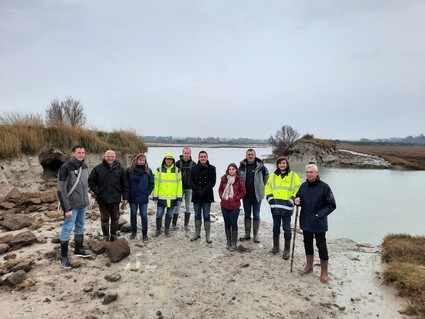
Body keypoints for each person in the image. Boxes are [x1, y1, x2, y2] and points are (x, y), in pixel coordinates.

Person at [295, 163, 336, 283]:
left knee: (321, 246)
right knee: (307, 243)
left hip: (319, 222)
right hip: (306, 221)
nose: (308, 174)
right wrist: (295, 201)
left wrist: (319, 215)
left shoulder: (324, 187)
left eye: (311, 172)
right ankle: (309, 266)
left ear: (316, 173)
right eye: (307, 172)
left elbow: (331, 205)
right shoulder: (303, 186)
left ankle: (324, 272)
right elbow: (298, 199)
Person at [57, 145, 91, 269]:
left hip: (83, 203)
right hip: (71, 205)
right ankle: (64, 256)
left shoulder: (85, 166)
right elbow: (61, 190)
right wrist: (67, 208)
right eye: (79, 152)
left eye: (83, 152)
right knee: (67, 228)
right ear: (73, 154)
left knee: (81, 225)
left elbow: (85, 185)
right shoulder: (65, 168)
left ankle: (78, 249)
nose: (81, 154)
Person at [265, 156, 301, 260]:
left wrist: (292, 200)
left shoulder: (294, 176)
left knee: (286, 228)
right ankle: (276, 246)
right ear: (277, 165)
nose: (282, 165)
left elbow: (298, 189)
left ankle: (287, 250)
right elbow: (268, 188)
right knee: (276, 227)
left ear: (287, 164)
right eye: (280, 163)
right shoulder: (273, 176)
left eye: (284, 163)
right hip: (275, 207)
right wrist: (270, 199)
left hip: (287, 208)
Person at [88, 150, 129, 242]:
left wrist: (125, 197)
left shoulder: (120, 169)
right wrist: (98, 191)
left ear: (115, 157)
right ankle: (106, 236)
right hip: (102, 199)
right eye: (108, 156)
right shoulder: (98, 168)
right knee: (104, 219)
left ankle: (113, 235)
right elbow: (91, 181)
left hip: (115, 198)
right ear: (104, 157)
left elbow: (125, 184)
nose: (110, 158)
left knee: (115, 218)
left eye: (112, 156)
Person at [239, 148, 269, 243]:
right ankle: (247, 234)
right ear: (246, 155)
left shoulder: (261, 166)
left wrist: (261, 186)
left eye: (252, 154)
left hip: (257, 196)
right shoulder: (242, 166)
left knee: (256, 214)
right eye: (249, 154)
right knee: (247, 214)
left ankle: (255, 235)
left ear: (255, 155)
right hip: (246, 196)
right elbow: (239, 177)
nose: (250, 156)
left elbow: (266, 177)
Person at [189, 150, 216, 243]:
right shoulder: (193, 168)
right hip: (196, 195)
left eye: (204, 156)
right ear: (198, 158)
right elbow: (190, 181)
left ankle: (208, 235)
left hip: (207, 195)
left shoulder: (212, 168)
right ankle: (197, 233)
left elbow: (213, 182)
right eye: (201, 157)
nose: (203, 158)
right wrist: (196, 191)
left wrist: (203, 191)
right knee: (197, 214)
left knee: (206, 215)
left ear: (207, 158)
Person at [153, 152, 182, 237]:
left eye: (170, 159)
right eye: (167, 159)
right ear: (165, 160)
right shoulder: (159, 170)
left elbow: (179, 184)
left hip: (173, 198)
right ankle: (158, 229)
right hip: (162, 197)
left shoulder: (177, 170)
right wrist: (155, 196)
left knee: (169, 214)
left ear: (173, 160)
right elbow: (156, 184)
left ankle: (167, 229)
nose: (169, 161)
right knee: (159, 214)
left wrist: (179, 196)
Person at [219, 163, 246, 251]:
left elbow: (243, 192)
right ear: (228, 170)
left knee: (233, 223)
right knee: (227, 223)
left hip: (235, 206)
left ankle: (234, 242)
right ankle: (228, 241)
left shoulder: (239, 180)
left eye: (233, 169)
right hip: (224, 205)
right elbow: (220, 189)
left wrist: (236, 198)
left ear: (236, 170)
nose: (231, 171)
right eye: (230, 169)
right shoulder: (223, 179)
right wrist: (222, 197)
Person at [127, 153, 154, 241]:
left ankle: (144, 234)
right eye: (140, 160)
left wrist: (148, 192)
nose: (142, 162)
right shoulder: (130, 170)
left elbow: (152, 183)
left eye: (143, 160)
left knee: (144, 215)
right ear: (136, 160)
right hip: (133, 197)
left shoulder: (148, 171)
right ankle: (133, 232)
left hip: (143, 196)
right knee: (133, 214)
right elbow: (126, 183)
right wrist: (127, 195)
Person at [174, 147, 196, 231]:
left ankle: (186, 225)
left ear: (190, 154)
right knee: (177, 206)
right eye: (185, 153)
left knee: (188, 206)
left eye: (188, 153)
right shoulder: (177, 163)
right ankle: (174, 223)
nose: (186, 155)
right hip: (179, 188)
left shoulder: (194, 164)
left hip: (189, 189)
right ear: (182, 153)